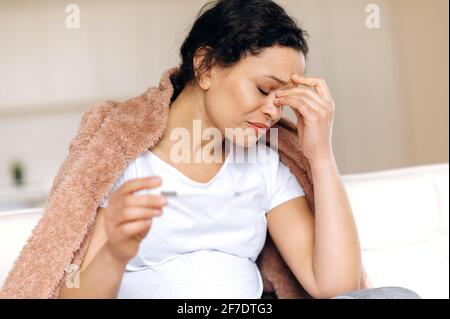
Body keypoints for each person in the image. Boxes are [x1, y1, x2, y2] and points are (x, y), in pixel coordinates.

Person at [58, 0, 420, 299]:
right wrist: (116, 252)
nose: (273, 111)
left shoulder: (264, 165)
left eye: (283, 101)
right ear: (206, 66)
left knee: (392, 298)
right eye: (264, 90)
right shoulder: (126, 162)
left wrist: (320, 155)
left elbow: (337, 288)